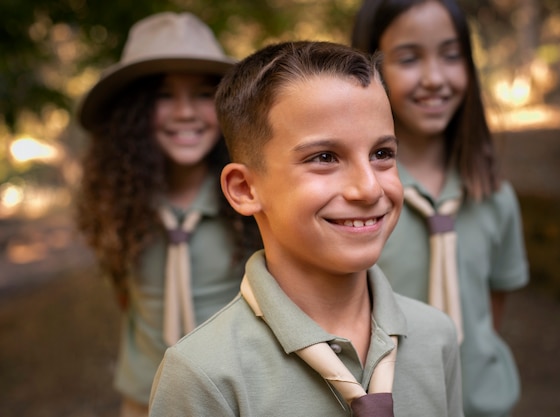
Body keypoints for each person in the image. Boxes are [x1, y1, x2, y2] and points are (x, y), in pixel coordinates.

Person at [149, 40, 463, 417]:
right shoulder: (203, 375)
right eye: (325, 157)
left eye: (382, 154)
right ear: (245, 189)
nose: (369, 188)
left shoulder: (437, 337)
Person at [75, 12, 261, 416]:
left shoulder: (254, 201)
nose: (184, 112)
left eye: (201, 94)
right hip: (144, 401)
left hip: (239, 398)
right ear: (133, 111)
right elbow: (126, 296)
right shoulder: (117, 205)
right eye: (163, 95)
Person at [351, 1, 530, 416]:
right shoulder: (356, 201)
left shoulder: (495, 196)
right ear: (369, 71)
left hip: (484, 403)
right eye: (409, 58)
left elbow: (489, 308)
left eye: (451, 55)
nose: (434, 78)